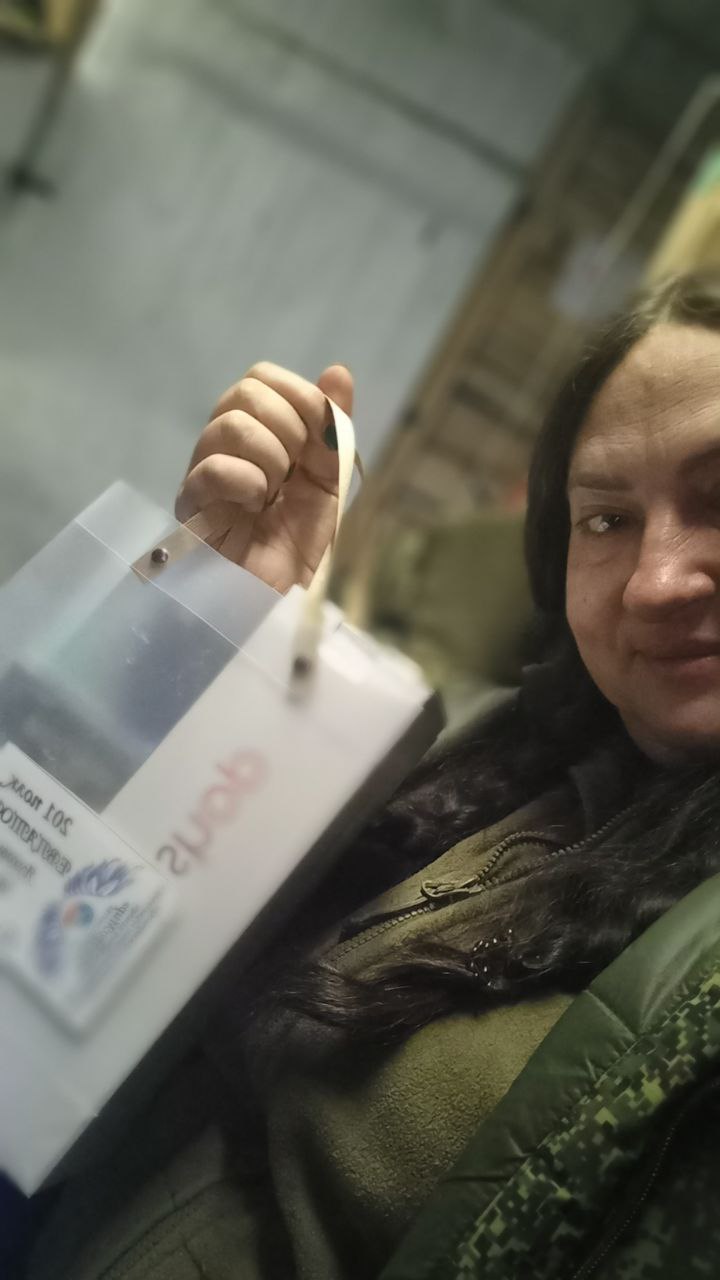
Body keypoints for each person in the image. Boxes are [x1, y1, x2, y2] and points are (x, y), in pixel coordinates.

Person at [23, 270, 720, 1279]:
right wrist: (225, 629)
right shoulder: (511, 753)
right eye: (606, 520)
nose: (656, 582)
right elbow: (77, 923)